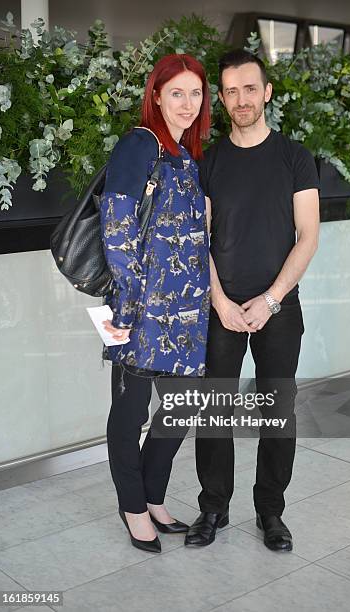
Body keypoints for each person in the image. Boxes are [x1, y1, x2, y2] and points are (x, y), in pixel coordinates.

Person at [185, 49, 320, 551]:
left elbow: (307, 236)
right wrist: (219, 301)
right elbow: (200, 238)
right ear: (221, 99)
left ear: (266, 93)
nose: (241, 99)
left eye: (249, 88)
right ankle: (213, 508)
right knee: (214, 413)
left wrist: (271, 299)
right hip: (221, 307)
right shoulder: (210, 161)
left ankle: (270, 513)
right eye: (231, 91)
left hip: (279, 308)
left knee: (277, 413)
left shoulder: (295, 157)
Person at [99, 54, 211, 553]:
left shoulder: (186, 156)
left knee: (181, 408)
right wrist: (127, 304)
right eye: (177, 94)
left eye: (195, 93)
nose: (188, 104)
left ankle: (154, 495)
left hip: (187, 313)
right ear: (157, 96)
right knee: (130, 411)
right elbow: (117, 229)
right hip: (141, 309)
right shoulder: (138, 146)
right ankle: (132, 506)